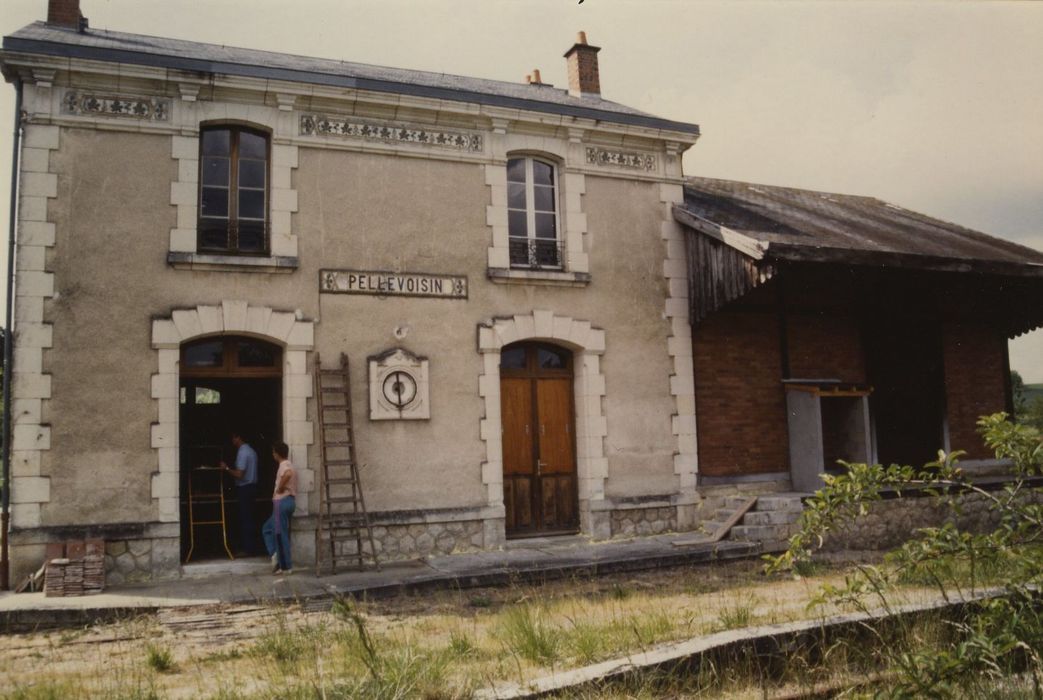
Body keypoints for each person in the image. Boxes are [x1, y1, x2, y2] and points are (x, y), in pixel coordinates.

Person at [220, 431, 260, 556]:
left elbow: (239, 474)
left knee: (245, 519)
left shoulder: (243, 452)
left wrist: (226, 468)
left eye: (233, 438)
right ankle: (252, 548)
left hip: (245, 488)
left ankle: (247, 549)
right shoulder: (252, 451)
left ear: (238, 437)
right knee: (250, 518)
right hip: (252, 487)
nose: (232, 441)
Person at [262, 441, 297, 574]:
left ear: (276, 453)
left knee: (279, 534)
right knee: (267, 528)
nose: (273, 454)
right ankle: (275, 556)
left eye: (273, 452)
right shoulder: (288, 464)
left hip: (281, 503)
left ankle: (285, 566)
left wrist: (280, 487)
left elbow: (287, 474)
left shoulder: (284, 465)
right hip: (288, 502)